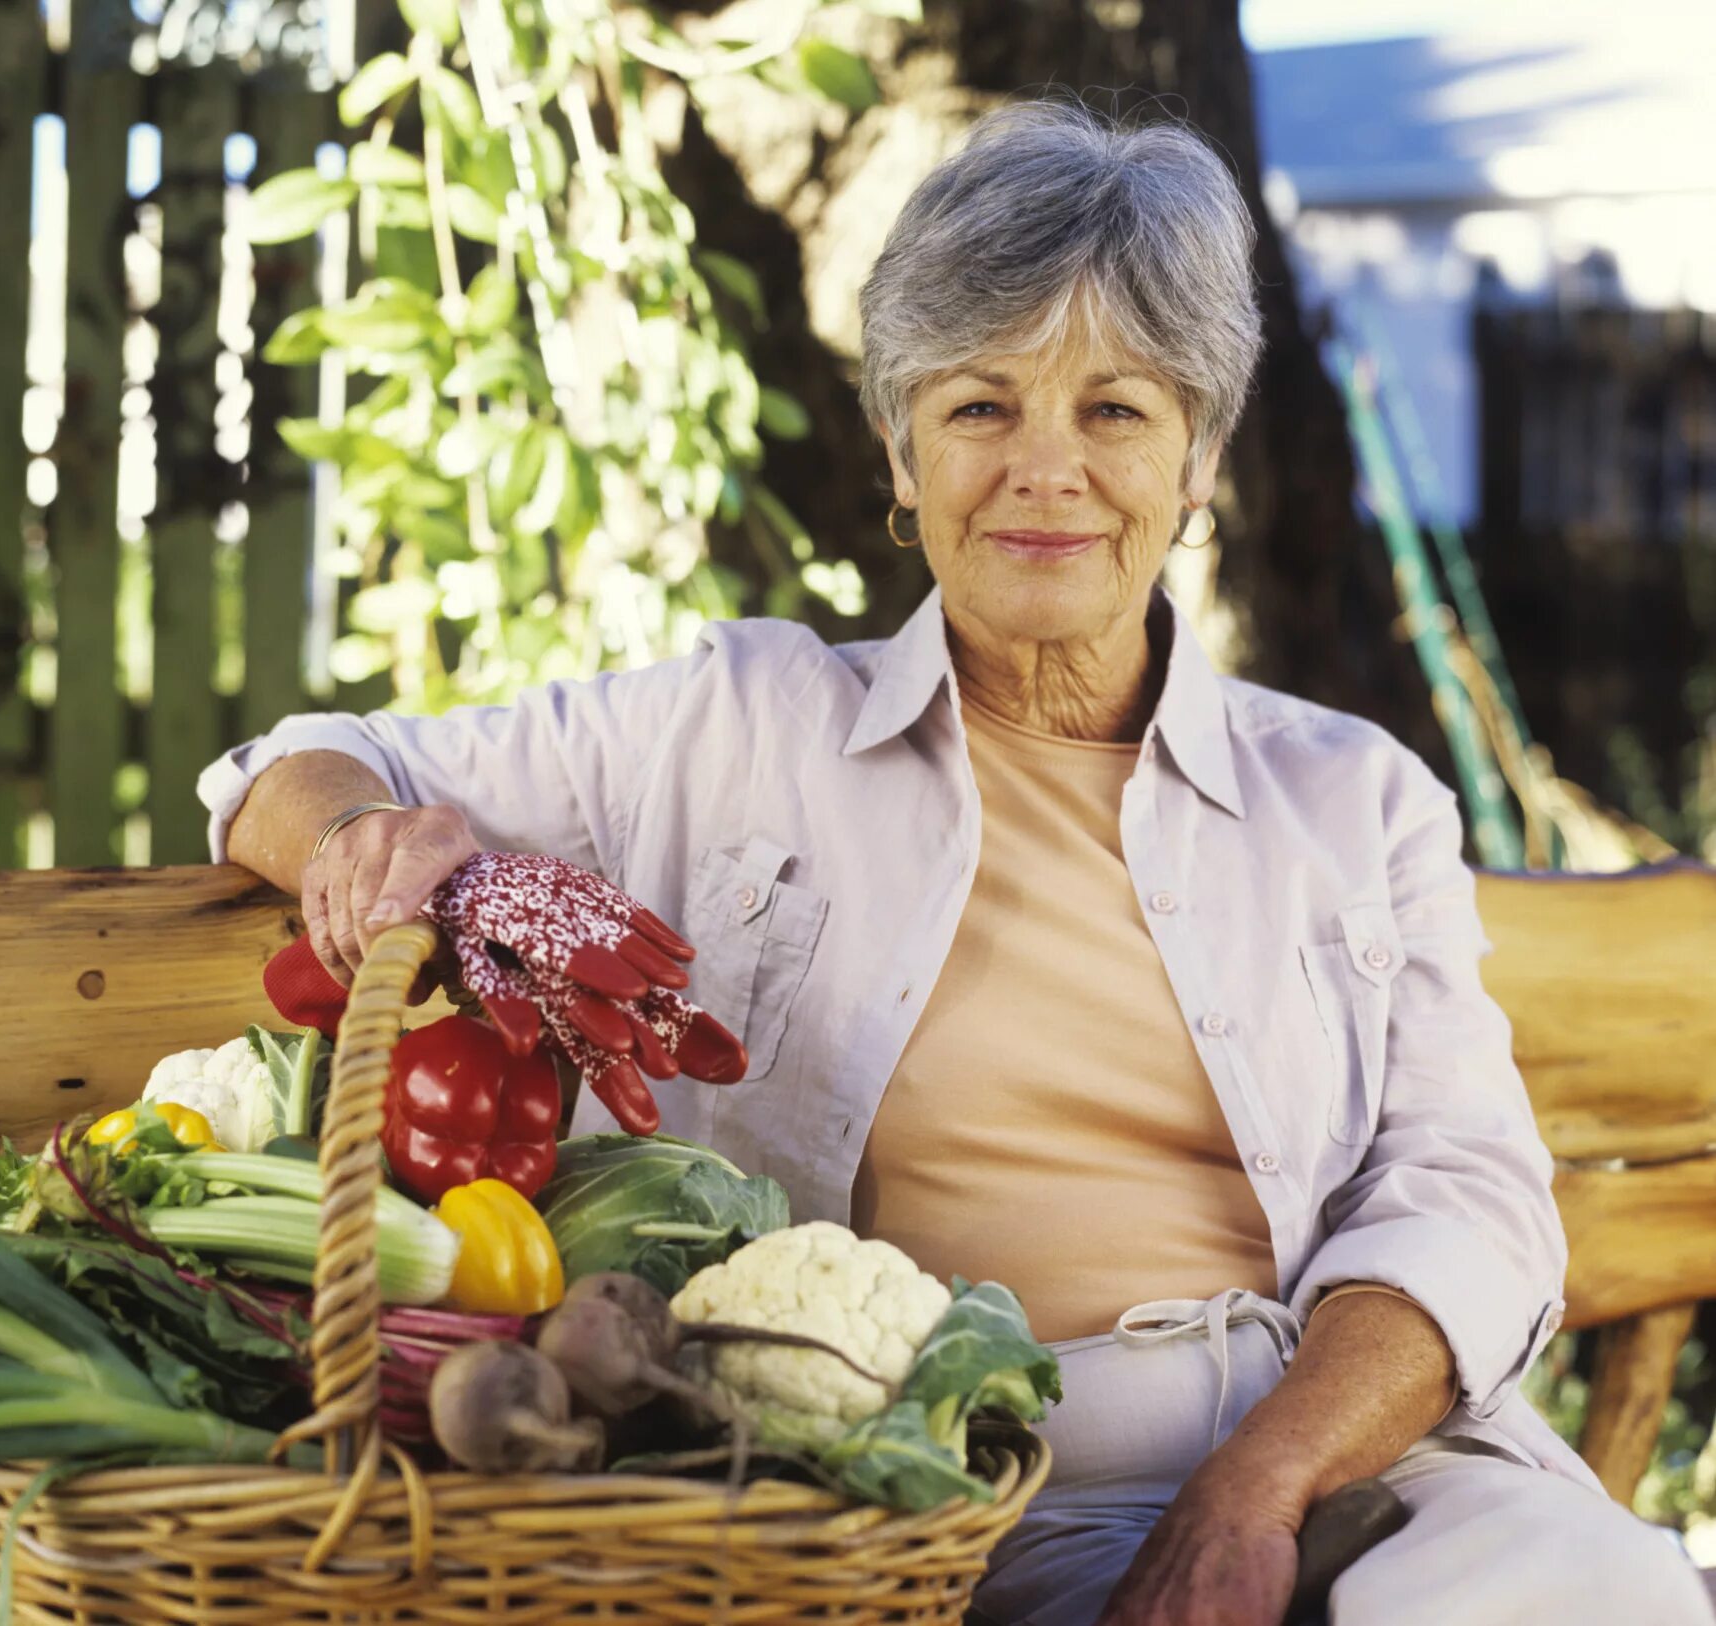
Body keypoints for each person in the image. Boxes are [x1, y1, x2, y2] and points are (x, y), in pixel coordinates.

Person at [197, 96, 1712, 1626]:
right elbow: (290, 766)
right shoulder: (735, 724)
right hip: (962, 1491)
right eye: (983, 406)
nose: (1045, 468)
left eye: (1116, 409)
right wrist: (357, 838)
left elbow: (1470, 1196)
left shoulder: (1353, 798)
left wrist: (1252, 1490)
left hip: (1356, 1451)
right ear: (900, 451)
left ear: (1200, 457)